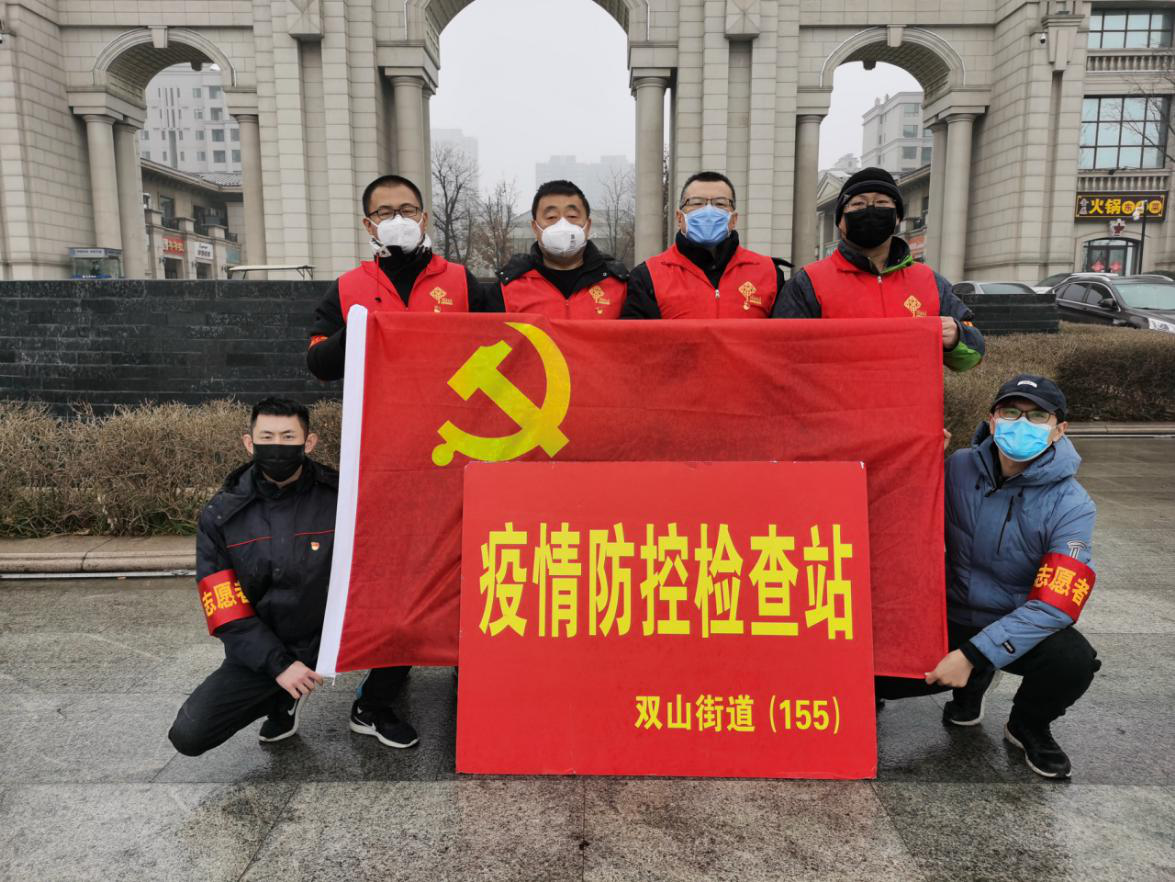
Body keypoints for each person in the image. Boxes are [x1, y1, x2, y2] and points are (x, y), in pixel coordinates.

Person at [876, 375, 1100, 779]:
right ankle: (973, 682)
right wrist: (917, 462)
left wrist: (973, 654)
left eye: (1037, 416)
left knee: (1073, 662)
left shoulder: (1072, 505)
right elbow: (901, 516)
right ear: (992, 421)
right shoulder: (958, 467)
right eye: (1010, 412)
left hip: (1014, 621)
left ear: (1059, 429)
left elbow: (1057, 603)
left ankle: (1027, 724)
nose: (1021, 423)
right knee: (876, 682)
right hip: (947, 614)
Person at [167, 398, 418, 755]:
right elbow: (224, 607)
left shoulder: (344, 496)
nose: (277, 446)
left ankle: (372, 707)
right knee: (189, 736)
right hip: (271, 644)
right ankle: (283, 697)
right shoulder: (221, 514)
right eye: (267, 437)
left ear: (308, 442)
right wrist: (279, 666)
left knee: (408, 616)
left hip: (337, 633)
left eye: (288, 437)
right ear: (249, 443)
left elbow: (386, 562)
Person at [771, 166, 985, 372]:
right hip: (833, 398)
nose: (871, 209)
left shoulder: (930, 282)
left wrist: (956, 337)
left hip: (912, 399)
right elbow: (779, 354)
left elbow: (973, 355)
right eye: (858, 204)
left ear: (897, 217)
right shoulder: (808, 282)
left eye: (882, 202)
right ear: (840, 221)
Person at [306, 174, 485, 382]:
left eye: (408, 211)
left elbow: (497, 343)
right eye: (385, 213)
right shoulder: (347, 287)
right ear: (368, 225)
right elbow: (319, 365)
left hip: (448, 402)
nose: (399, 220)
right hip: (379, 402)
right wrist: (353, 335)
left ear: (424, 219)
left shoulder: (460, 280)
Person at [621, 171, 788, 319]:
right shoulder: (648, 276)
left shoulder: (769, 273)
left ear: (733, 219)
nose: (708, 212)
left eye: (720, 204)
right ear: (679, 218)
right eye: (696, 203)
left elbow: (785, 339)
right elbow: (636, 341)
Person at [480, 179, 629, 318]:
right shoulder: (508, 289)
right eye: (551, 217)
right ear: (535, 228)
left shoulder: (620, 286)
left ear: (588, 226)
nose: (562, 225)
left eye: (572, 216)